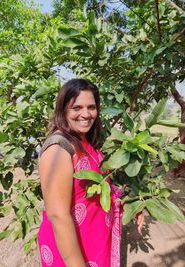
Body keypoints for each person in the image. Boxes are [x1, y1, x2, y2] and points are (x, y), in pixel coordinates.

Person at [38, 78, 144, 267]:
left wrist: (131, 204)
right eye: (77, 108)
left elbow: (103, 186)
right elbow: (58, 215)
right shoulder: (59, 149)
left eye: (91, 107)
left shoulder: (85, 141)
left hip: (92, 240)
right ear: (63, 110)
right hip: (71, 249)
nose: (86, 114)